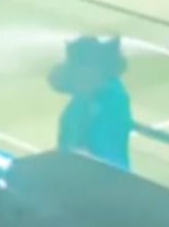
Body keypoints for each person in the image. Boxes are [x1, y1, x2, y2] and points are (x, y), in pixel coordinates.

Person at [49, 36, 134, 170]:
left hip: (104, 178)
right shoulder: (80, 101)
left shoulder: (111, 100)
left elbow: (104, 153)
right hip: (78, 173)